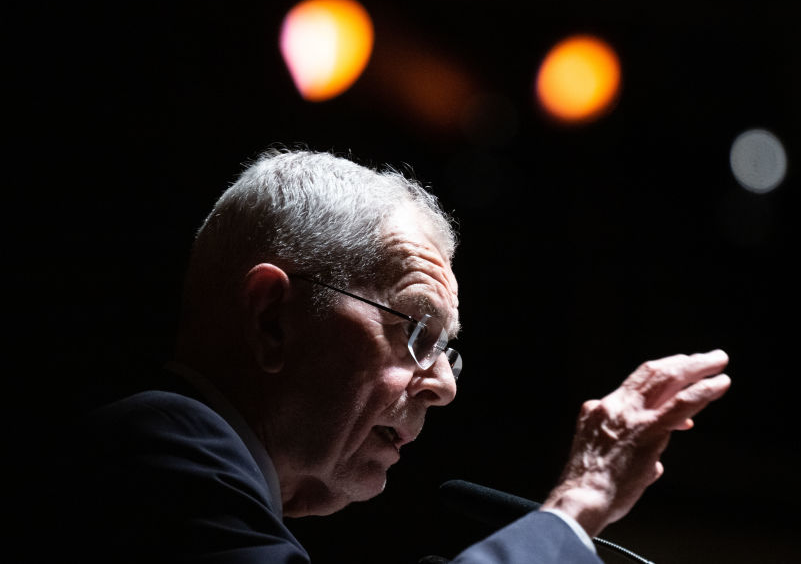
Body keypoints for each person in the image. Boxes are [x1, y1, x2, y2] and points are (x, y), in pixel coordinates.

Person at [69, 147, 731, 562]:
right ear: (272, 320)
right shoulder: (158, 448)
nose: (443, 384)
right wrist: (581, 501)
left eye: (448, 349)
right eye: (415, 329)